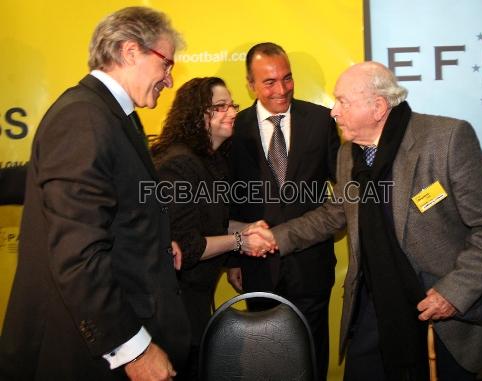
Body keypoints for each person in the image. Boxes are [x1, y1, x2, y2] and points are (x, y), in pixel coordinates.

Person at [248, 61, 482, 381]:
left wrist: (455, 293)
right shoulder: (350, 155)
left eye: (343, 101)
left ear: (377, 107)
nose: (333, 111)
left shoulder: (445, 139)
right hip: (377, 305)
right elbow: (334, 214)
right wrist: (276, 236)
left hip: (443, 309)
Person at [0, 7, 192, 380]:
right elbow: (77, 256)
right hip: (81, 356)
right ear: (131, 51)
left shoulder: (113, 116)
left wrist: (153, 242)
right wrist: (133, 351)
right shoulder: (84, 118)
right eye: (167, 64)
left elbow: (112, 204)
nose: (169, 80)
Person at [227, 42, 340, 380]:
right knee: (267, 358)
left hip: (311, 263)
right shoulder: (233, 128)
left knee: (311, 355)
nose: (282, 89)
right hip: (256, 265)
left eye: (287, 79)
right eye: (269, 82)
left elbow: (344, 188)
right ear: (250, 84)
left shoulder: (321, 120)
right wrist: (233, 257)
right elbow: (228, 197)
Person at [151, 77, 272, 380]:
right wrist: (239, 241)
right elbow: (186, 246)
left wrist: (249, 230)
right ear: (196, 114)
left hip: (196, 302)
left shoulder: (212, 160)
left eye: (232, 105)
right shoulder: (178, 164)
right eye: (220, 107)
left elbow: (212, 222)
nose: (231, 112)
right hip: (174, 307)